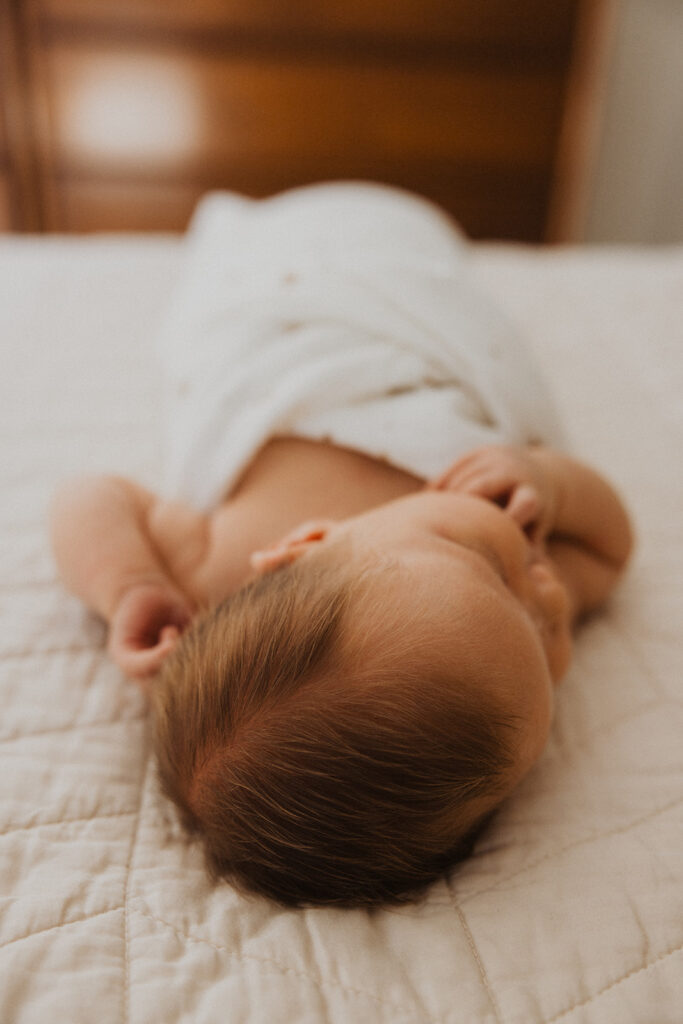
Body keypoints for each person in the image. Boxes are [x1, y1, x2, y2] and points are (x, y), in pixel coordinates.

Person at [49, 183, 633, 909]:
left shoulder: (217, 563)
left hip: (285, 312)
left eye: (488, 562)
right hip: (419, 289)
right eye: (550, 644)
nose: (543, 581)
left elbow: (87, 499)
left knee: (268, 263)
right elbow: (609, 546)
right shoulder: (513, 613)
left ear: (303, 544)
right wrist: (547, 476)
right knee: (421, 253)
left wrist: (129, 587)